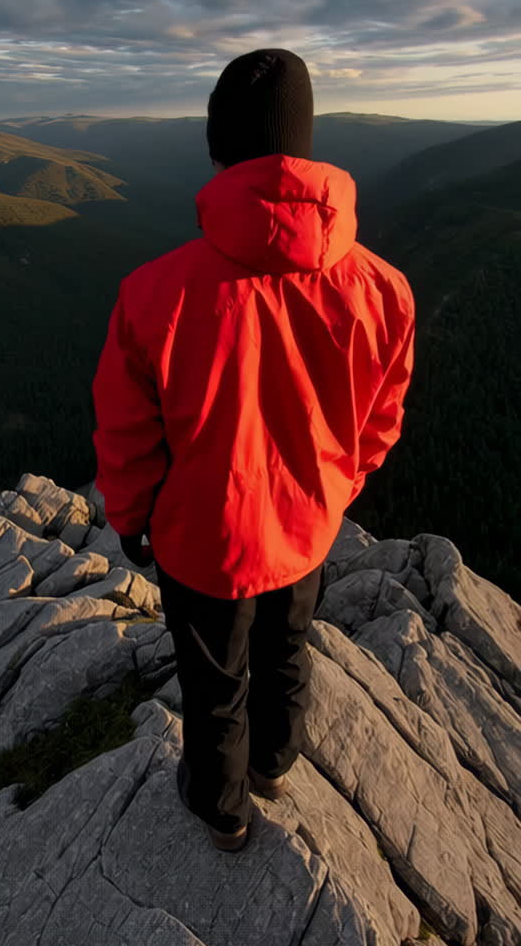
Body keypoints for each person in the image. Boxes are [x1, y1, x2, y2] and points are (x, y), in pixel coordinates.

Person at [91, 49, 415, 853]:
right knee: (286, 650)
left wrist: (130, 520)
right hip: (308, 529)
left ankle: (223, 810)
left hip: (203, 542)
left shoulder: (154, 293)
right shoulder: (385, 289)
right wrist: (336, 488)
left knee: (214, 681)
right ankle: (273, 764)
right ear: (302, 147)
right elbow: (380, 420)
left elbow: (127, 434)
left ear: (218, 151)